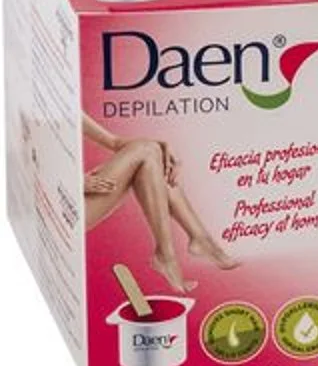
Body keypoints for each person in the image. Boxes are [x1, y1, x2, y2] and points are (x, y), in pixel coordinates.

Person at [83, 112, 238, 293]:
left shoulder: (69, 107)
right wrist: (74, 182)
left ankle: (194, 242)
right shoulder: (55, 106)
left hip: (84, 193)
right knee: (148, 152)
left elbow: (114, 142)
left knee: (153, 155)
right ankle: (172, 253)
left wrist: (160, 146)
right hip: (70, 209)